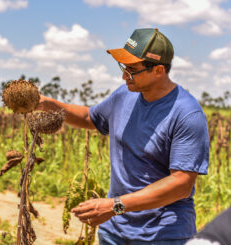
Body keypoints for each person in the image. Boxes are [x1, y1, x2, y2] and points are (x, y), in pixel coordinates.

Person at [36, 28, 209, 245]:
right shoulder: (124, 94)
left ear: (158, 70)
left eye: (132, 69)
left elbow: (181, 183)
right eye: (124, 67)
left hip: (162, 235)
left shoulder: (187, 114)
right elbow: (91, 118)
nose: (124, 75)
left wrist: (114, 205)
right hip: (114, 231)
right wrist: (49, 105)